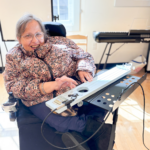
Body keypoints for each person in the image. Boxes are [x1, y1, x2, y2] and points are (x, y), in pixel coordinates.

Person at [3, 14, 112, 150]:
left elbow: (84, 56)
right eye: (28, 36)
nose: (35, 40)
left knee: (103, 98)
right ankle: (98, 133)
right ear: (19, 38)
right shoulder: (13, 56)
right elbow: (12, 85)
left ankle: (84, 138)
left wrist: (83, 68)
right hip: (40, 98)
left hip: (74, 89)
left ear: (44, 33)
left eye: (38, 34)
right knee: (58, 122)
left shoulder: (62, 42)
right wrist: (50, 86)